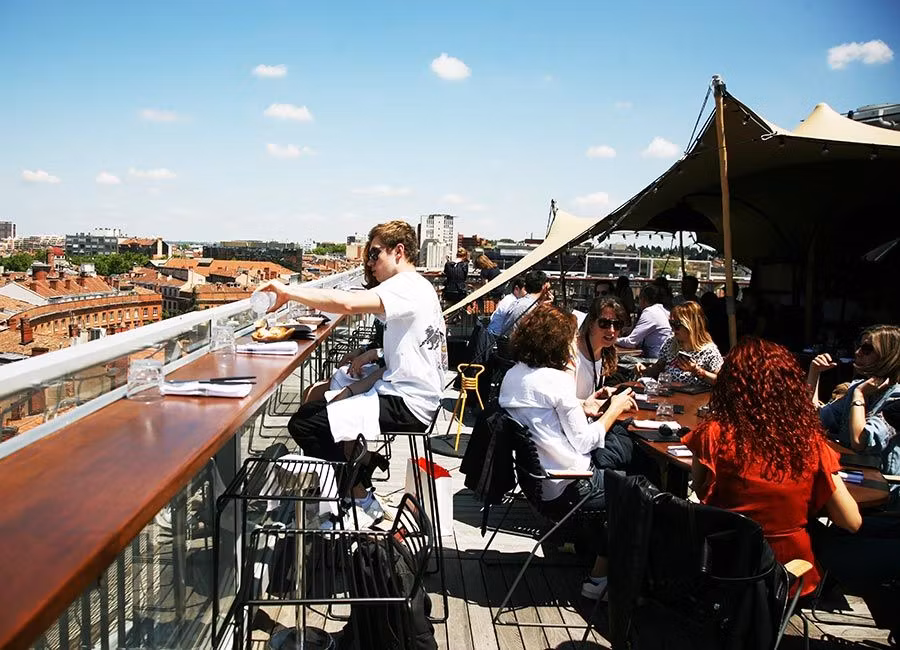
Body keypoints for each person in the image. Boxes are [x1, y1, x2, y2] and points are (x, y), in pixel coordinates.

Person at [261, 220, 448, 524]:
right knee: (322, 404)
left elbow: (346, 303)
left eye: (375, 255)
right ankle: (349, 481)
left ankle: (355, 493)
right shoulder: (418, 286)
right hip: (411, 394)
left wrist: (288, 293)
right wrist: (368, 359)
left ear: (398, 251)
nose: (370, 263)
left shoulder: (405, 286)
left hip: (407, 403)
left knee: (307, 423)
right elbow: (401, 353)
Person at [683, 338, 862, 596]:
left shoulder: (712, 434)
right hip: (786, 576)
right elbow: (851, 521)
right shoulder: (811, 444)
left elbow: (702, 491)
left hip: (720, 566)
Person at [499, 303, 637, 600]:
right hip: (568, 486)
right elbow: (586, 442)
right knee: (636, 492)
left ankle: (598, 560)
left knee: (624, 478)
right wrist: (614, 409)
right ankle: (601, 579)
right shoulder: (558, 380)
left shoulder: (513, 376)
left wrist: (583, 406)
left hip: (536, 483)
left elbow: (545, 416)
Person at [811, 325, 900, 480]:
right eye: (858, 346)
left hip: (882, 488)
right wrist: (814, 373)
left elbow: (861, 440)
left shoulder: (896, 397)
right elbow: (813, 419)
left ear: (888, 355)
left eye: (866, 349)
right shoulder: (857, 388)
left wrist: (859, 396)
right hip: (850, 474)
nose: (857, 352)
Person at [641, 301, 723, 385]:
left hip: (697, 397)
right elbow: (658, 367)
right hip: (669, 394)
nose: (673, 329)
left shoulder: (709, 351)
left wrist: (697, 371)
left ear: (691, 325)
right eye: (671, 323)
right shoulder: (670, 343)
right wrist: (644, 370)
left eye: (676, 325)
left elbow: (721, 381)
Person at [574, 296, 634, 397]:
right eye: (604, 323)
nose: (611, 330)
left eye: (617, 324)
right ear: (591, 324)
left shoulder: (607, 355)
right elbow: (562, 403)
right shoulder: (572, 353)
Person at [615, 283, 672, 358]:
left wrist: (613, 340)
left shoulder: (650, 312)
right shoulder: (664, 311)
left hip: (656, 359)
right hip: (665, 357)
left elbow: (631, 342)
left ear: (643, 299)